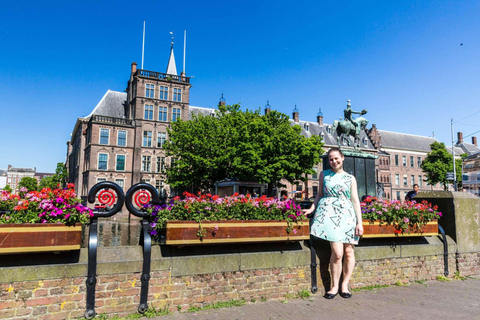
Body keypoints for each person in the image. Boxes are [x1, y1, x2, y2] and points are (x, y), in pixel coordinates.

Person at [303, 148, 364, 299]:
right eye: (331, 159)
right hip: (330, 215)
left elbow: (355, 201)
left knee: (349, 252)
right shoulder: (324, 175)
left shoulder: (351, 178)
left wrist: (359, 223)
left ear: (342, 158)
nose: (334, 161)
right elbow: (319, 195)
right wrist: (312, 207)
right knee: (337, 253)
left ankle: (344, 285)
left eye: (336, 158)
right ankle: (334, 286)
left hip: (347, 217)